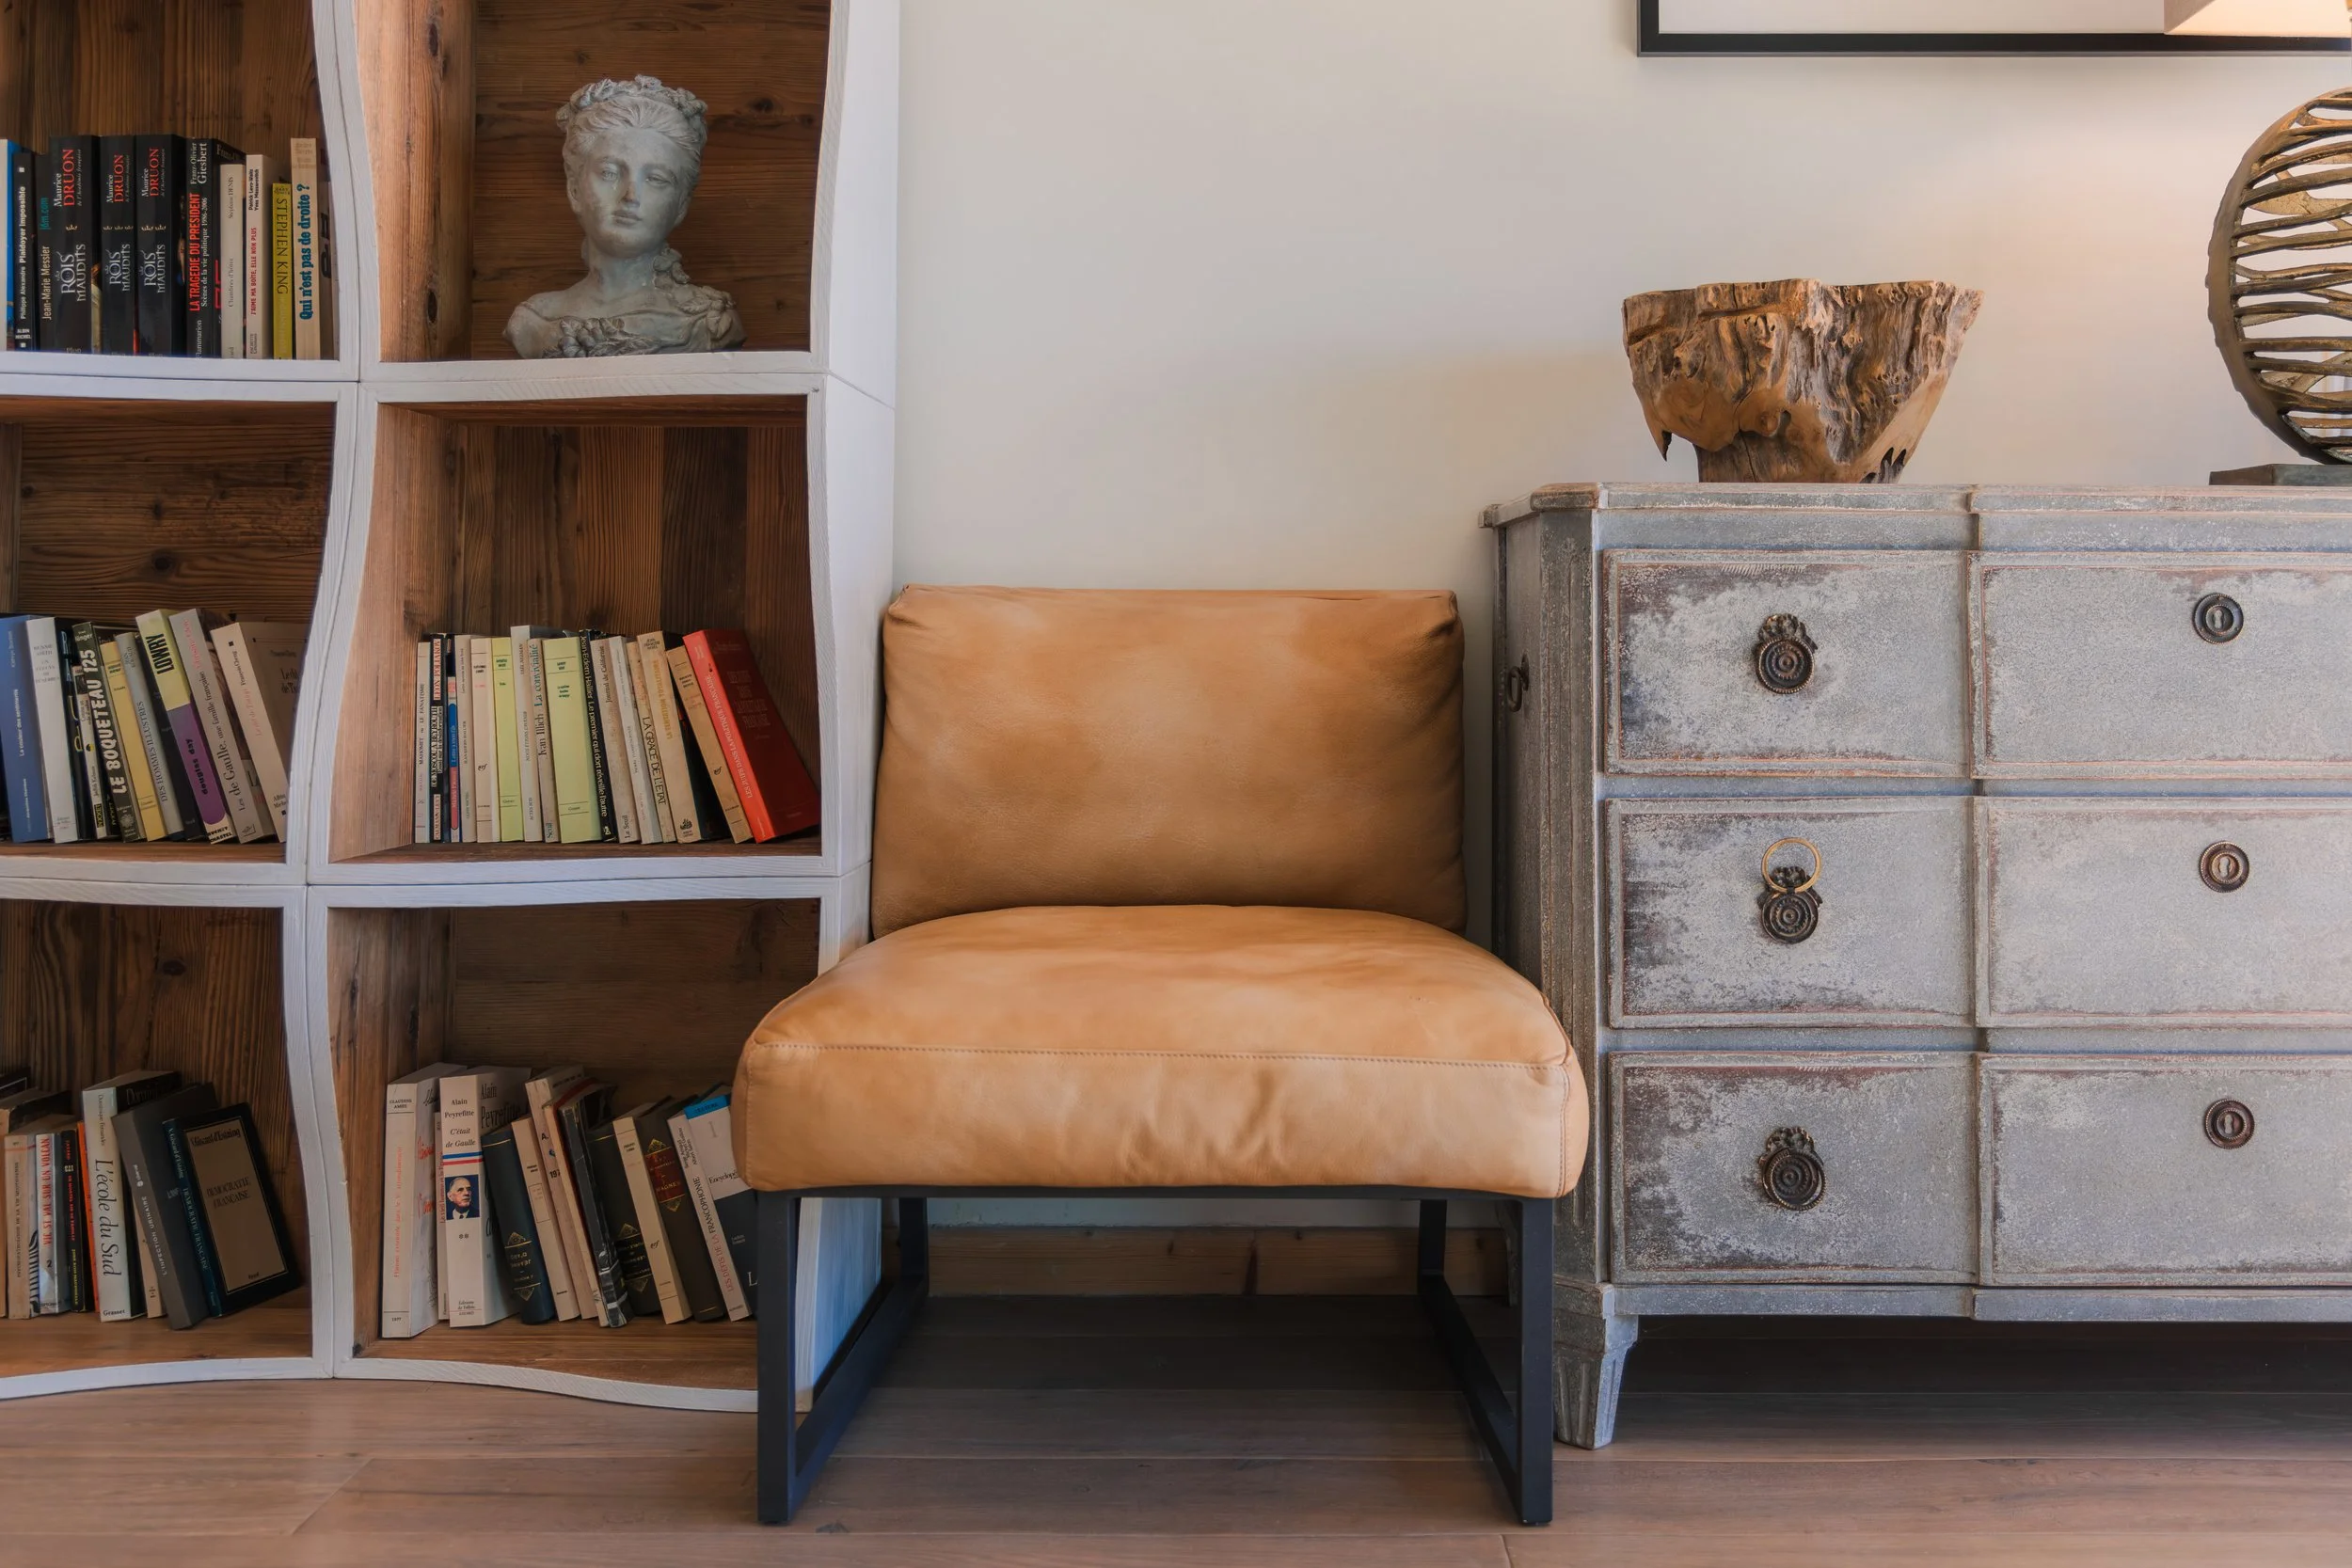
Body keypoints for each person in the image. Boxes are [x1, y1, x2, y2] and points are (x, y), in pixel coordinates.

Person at [505, 75, 746, 357]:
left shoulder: (711, 323)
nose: (631, 196)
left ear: (681, 204)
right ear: (573, 188)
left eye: (656, 179)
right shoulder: (533, 321)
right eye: (609, 173)